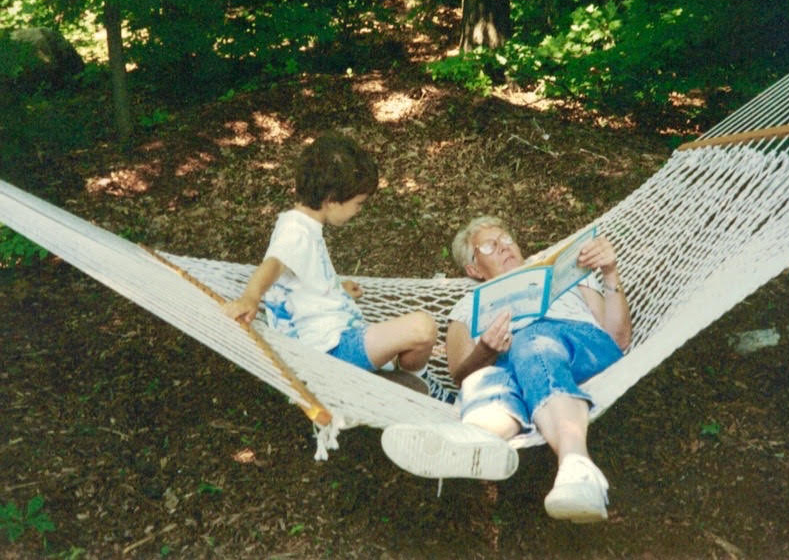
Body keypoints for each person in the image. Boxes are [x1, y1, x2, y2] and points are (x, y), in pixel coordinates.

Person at [381, 215, 631, 523]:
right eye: (488, 246)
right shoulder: (469, 305)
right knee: (483, 380)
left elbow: (618, 340)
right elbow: (460, 374)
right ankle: (467, 443)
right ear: (473, 269)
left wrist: (610, 272)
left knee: (530, 341)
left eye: (506, 239)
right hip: (516, 370)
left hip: (583, 348)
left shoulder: (566, 274)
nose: (502, 247)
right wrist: (485, 350)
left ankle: (578, 465)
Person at [222, 132, 446, 398]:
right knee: (423, 327)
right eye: (358, 204)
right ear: (330, 200)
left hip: (338, 336)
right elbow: (275, 262)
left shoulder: (304, 225)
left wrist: (335, 287)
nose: (358, 210)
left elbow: (298, 275)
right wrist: (251, 296)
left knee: (414, 332)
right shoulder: (295, 231)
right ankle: (419, 383)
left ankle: (404, 385)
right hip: (329, 352)